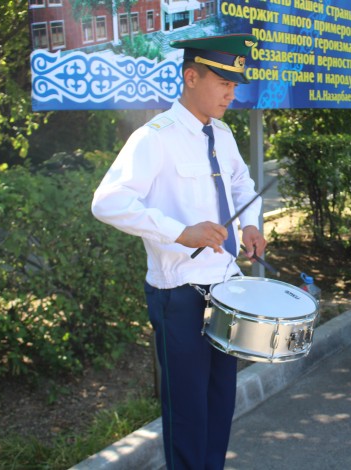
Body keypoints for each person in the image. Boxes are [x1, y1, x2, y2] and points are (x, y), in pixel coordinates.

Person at [91, 34, 267, 469]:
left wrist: (250, 224)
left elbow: (241, 183)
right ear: (191, 77)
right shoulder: (155, 138)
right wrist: (180, 232)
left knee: (220, 402)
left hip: (225, 289)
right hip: (180, 295)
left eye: (234, 84)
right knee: (187, 411)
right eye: (223, 82)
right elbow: (107, 202)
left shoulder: (222, 133)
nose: (231, 93)